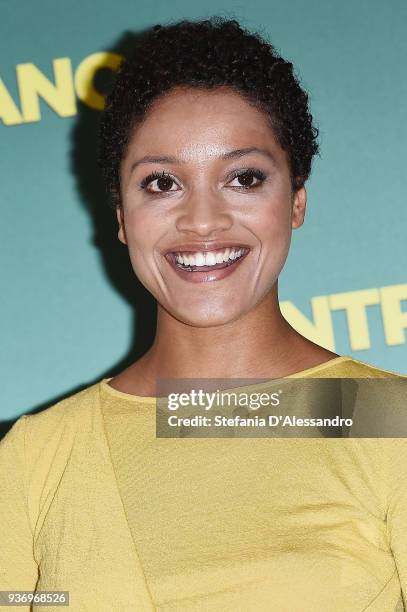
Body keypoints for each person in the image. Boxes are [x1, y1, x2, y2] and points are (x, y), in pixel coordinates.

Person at [1, 17, 406, 611]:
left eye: (243, 177)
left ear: (296, 200)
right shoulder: (39, 454)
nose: (202, 220)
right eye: (162, 183)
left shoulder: (386, 420)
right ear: (120, 216)